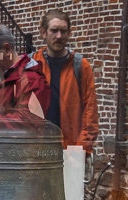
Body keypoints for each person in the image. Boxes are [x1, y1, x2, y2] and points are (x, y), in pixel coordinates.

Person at [32, 9, 99, 155]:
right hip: (36, 149)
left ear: (69, 33)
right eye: (54, 30)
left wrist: (80, 149)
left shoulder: (81, 66)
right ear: (44, 33)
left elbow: (90, 111)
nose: (59, 36)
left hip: (70, 149)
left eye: (63, 31)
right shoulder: (32, 64)